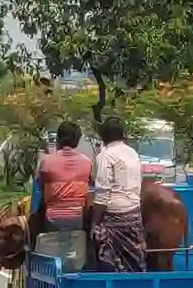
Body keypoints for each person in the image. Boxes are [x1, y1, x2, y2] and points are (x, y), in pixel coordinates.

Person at [33, 121, 93, 270]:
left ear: (58, 139)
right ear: (77, 140)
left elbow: (39, 188)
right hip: (78, 219)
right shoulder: (87, 162)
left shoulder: (46, 161)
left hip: (52, 220)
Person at [90, 117, 147, 272]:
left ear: (104, 136)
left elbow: (102, 193)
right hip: (135, 214)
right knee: (135, 261)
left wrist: (94, 224)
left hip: (114, 216)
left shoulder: (106, 155)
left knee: (106, 261)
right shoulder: (133, 153)